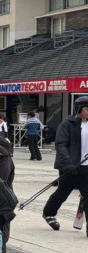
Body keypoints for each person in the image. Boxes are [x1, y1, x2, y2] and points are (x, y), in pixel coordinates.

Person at [43, 96, 88, 230]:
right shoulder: (67, 123)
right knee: (62, 192)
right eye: (87, 109)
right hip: (71, 166)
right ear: (79, 109)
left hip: (87, 166)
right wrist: (68, 163)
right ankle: (49, 213)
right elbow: (61, 144)